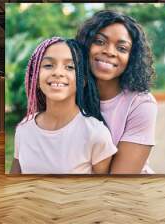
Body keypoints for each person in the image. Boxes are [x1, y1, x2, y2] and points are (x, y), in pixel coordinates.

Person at [10, 37, 117, 174]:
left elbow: (103, 190)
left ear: (82, 80)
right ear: (36, 77)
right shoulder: (24, 128)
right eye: (48, 65)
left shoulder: (96, 134)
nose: (58, 73)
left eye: (70, 67)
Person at [76, 10, 158, 174]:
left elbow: (120, 179)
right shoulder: (68, 91)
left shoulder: (141, 104)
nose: (110, 51)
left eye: (122, 48)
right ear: (85, 45)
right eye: (99, 41)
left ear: (132, 57)